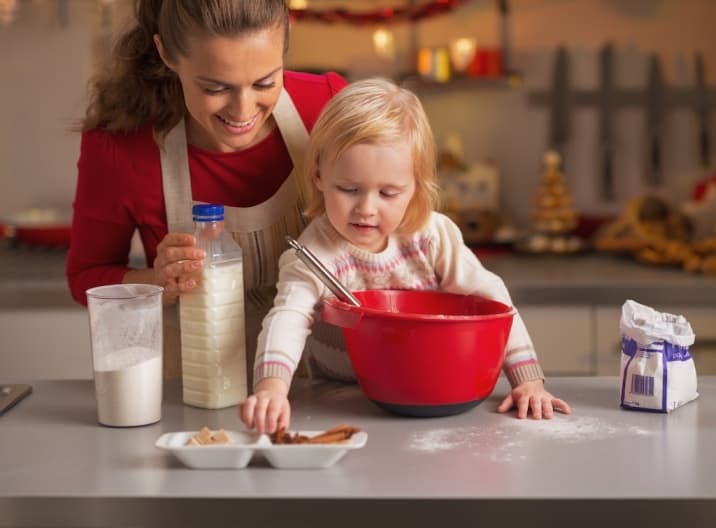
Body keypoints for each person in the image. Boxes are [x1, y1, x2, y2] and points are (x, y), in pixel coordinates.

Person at [240, 78, 572, 433]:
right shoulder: (312, 255)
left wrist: (527, 381)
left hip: (423, 390)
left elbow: (493, 300)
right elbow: (287, 317)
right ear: (319, 175)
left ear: (415, 187)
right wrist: (271, 389)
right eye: (348, 189)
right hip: (338, 402)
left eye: (388, 192)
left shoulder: (432, 236)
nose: (366, 208)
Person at [66, 0, 347, 378]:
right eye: (215, 87)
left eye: (265, 82)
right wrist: (157, 283)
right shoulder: (120, 145)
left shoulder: (327, 106)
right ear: (167, 53)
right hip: (195, 399)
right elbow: (86, 275)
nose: (243, 109)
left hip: (331, 391)